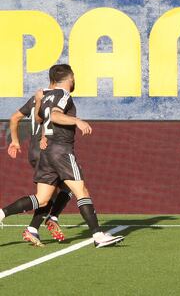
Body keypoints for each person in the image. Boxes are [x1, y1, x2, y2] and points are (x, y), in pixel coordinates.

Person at [1, 64, 124, 248]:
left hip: (46, 152)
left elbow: (40, 119)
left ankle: (2, 214)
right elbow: (56, 116)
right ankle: (98, 235)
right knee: (81, 191)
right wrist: (77, 120)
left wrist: (43, 136)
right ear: (70, 78)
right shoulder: (64, 95)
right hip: (61, 150)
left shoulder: (45, 96)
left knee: (42, 198)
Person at [8, 88, 73, 246]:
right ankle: (51, 218)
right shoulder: (56, 99)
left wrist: (15, 141)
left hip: (34, 152)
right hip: (47, 150)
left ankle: (33, 228)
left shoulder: (35, 98)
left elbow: (15, 118)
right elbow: (53, 120)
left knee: (57, 190)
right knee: (61, 189)